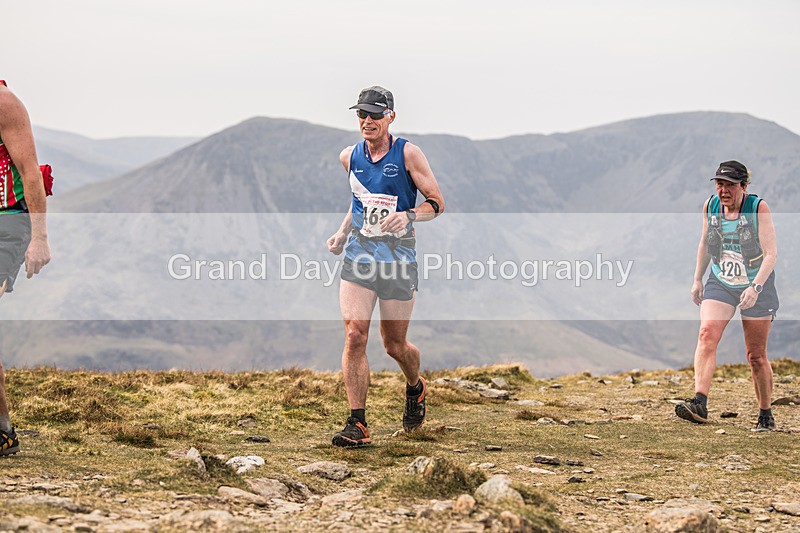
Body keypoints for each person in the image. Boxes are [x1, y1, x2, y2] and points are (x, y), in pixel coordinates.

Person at [326, 86, 444, 447]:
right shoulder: (349, 156)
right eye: (362, 114)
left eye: (375, 114)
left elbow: (436, 203)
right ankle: (357, 423)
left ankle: (415, 386)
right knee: (354, 335)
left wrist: (408, 215)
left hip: (398, 258)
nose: (367, 120)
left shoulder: (408, 153)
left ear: (390, 117)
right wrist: (342, 233)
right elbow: (359, 200)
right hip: (360, 254)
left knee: (394, 345)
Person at [676, 160, 778, 431]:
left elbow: (771, 255)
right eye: (720, 184)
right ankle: (699, 402)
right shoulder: (711, 206)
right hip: (721, 281)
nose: (723, 190)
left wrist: (755, 288)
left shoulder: (758, 208)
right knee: (706, 334)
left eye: (730, 185)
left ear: (743, 186)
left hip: (757, 284)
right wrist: (697, 279)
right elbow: (705, 242)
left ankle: (765, 413)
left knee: (755, 355)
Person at [0, 80, 52, 456]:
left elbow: (30, 172)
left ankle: (3, 432)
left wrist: (40, 238)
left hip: (8, 222)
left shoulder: (4, 103)